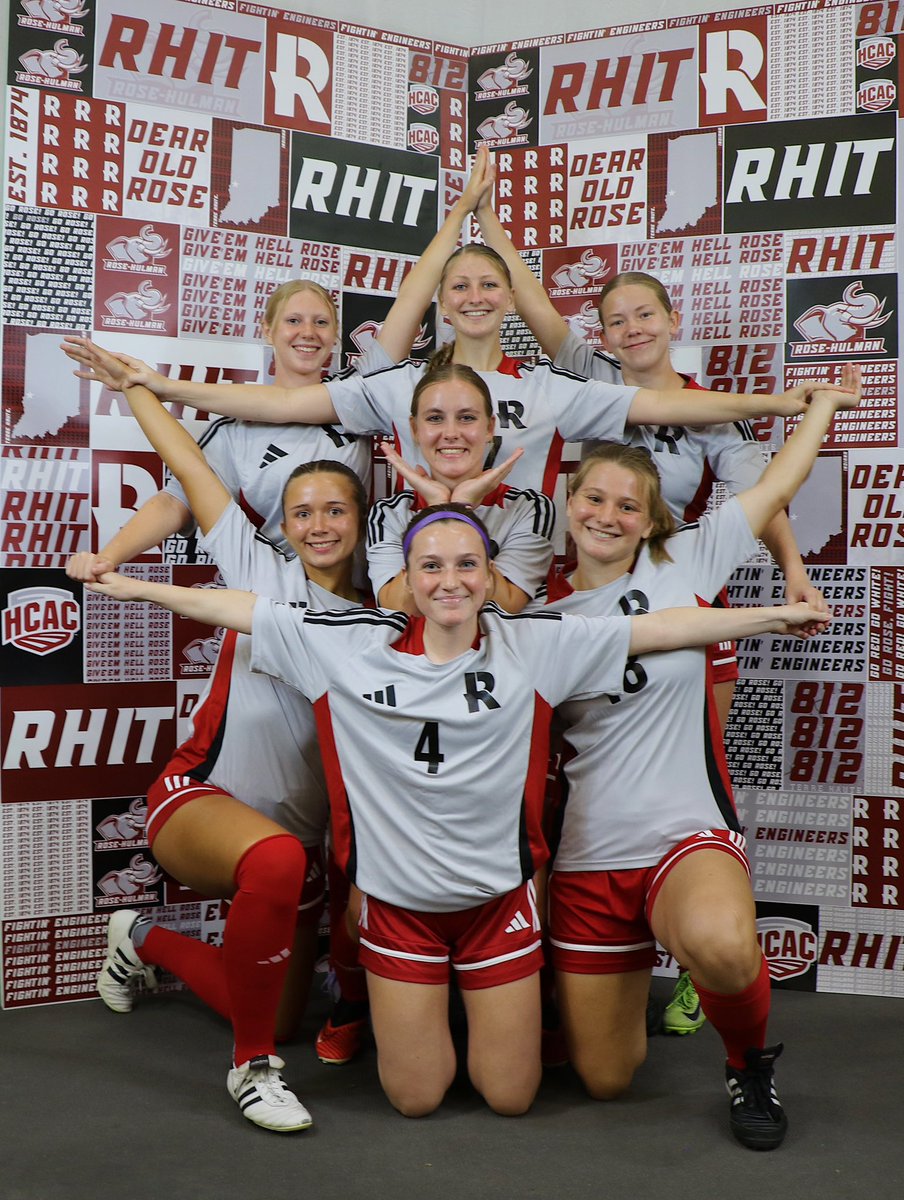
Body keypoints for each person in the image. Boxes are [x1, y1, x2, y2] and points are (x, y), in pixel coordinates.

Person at [82, 505, 827, 1120]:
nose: (450, 580)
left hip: (496, 904)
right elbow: (235, 607)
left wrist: (774, 617)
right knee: (417, 1098)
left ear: (490, 575)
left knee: (510, 1096)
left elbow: (659, 629)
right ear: (406, 579)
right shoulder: (349, 646)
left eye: (467, 564)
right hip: (399, 906)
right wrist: (132, 586)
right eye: (431, 566)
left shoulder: (533, 645)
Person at [63, 152, 856, 504]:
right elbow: (273, 404)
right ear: (441, 306)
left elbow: (668, 405)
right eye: (459, 287)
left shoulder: (551, 385)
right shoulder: (401, 384)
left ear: (510, 299)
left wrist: (780, 404)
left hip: (522, 582)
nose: (475, 296)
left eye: (489, 285)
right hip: (420, 573)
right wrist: (157, 383)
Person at [542, 367, 859, 1149]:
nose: (607, 515)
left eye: (628, 506)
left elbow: (776, 483)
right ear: (569, 504)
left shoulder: (683, 565)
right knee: (606, 1077)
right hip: (589, 858)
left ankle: (747, 1062)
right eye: (594, 498)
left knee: (720, 943)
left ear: (653, 521)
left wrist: (822, 406)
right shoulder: (536, 613)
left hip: (683, 836)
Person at [68, 341, 368, 1132]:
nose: (318, 525)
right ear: (282, 524)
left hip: (295, 846)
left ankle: (142, 938)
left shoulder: (384, 611)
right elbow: (190, 469)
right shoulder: (258, 566)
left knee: (274, 1006)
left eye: (335, 509)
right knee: (275, 868)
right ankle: (252, 1072)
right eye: (301, 512)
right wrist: (136, 387)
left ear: (361, 518)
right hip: (198, 800)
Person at [65, 279, 370, 584]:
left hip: (352, 600)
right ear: (267, 330)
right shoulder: (232, 434)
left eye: (321, 322)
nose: (308, 332)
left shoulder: (360, 396)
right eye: (293, 320)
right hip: (269, 597)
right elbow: (175, 502)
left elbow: (290, 403)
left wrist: (162, 387)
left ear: (335, 335)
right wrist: (106, 559)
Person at [368, 362, 554, 613]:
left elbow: (508, 604)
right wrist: (441, 509)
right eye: (435, 418)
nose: (451, 433)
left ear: (489, 428)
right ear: (415, 429)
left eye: (467, 418)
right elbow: (397, 607)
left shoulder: (527, 507)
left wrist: (455, 509)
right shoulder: (389, 512)